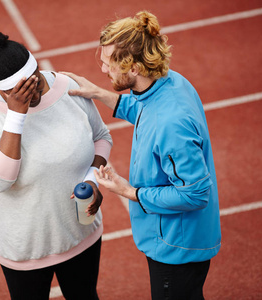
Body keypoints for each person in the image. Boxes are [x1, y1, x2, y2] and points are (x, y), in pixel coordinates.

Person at [62, 10, 221, 300]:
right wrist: (98, 93)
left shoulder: (171, 124)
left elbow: (196, 194)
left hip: (176, 248)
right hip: (176, 238)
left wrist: (128, 191)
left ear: (133, 68)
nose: (102, 70)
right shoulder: (170, 83)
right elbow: (144, 110)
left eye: (109, 65)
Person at [0, 32, 112, 300]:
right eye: (20, 92)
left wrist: (92, 177)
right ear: (1, 90)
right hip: (25, 248)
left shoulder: (68, 87)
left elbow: (101, 137)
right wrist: (15, 116)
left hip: (79, 233)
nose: (34, 94)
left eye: (37, 84)